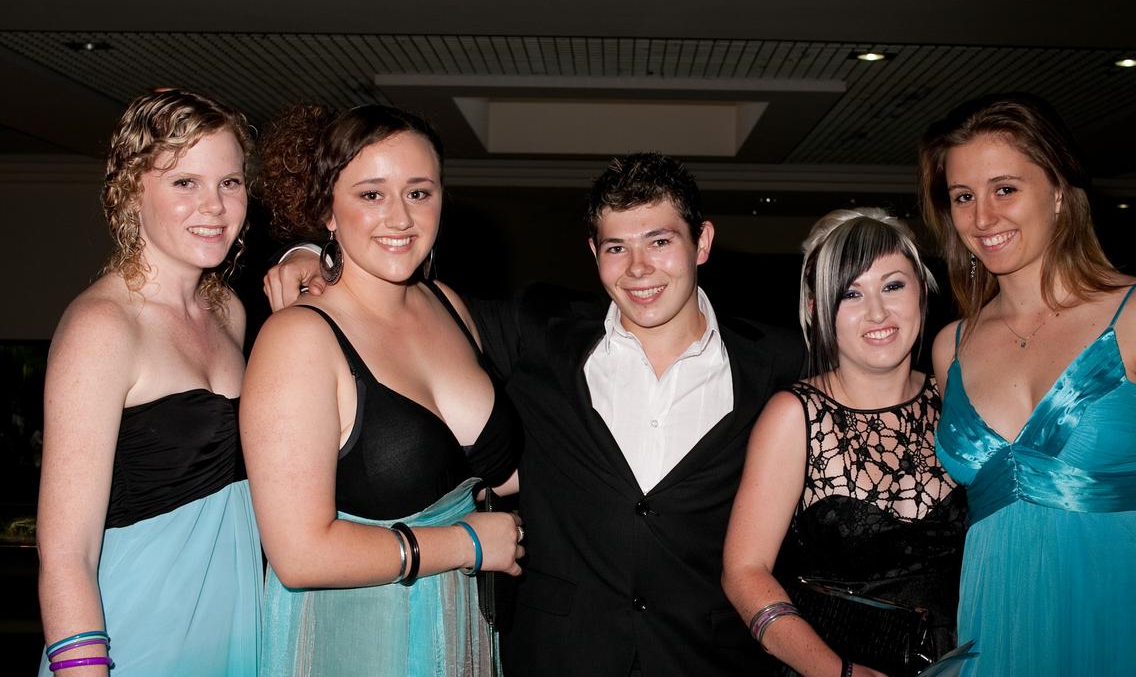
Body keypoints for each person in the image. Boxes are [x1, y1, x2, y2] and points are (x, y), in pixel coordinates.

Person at [267, 152, 803, 676]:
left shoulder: (777, 363)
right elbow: (396, 303)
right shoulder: (540, 333)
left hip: (707, 657)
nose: (639, 268)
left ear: (701, 242)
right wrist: (312, 254)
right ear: (593, 251)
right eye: (617, 246)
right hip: (558, 654)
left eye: (659, 241)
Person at [920, 93, 1136, 676]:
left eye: (1004, 189)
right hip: (997, 635)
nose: (982, 218)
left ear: (1060, 192)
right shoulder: (950, 348)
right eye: (964, 196)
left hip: (1130, 623)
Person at [241, 104, 523, 677]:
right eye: (371, 195)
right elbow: (298, 554)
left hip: (464, 631)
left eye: (419, 192)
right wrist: (466, 544)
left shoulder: (447, 304)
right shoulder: (298, 337)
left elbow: (498, 470)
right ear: (326, 210)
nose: (400, 217)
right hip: (360, 639)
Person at [36, 89, 260, 676]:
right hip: (140, 635)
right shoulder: (102, 326)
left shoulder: (229, 311)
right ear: (133, 188)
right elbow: (65, 552)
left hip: (236, 623)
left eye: (230, 182)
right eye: (185, 182)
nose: (213, 205)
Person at [722, 209, 966, 677]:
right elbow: (744, 574)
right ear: (816, 309)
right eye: (851, 293)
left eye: (893, 286)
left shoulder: (959, 398)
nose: (878, 312)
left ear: (922, 291)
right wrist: (837, 673)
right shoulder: (794, 416)